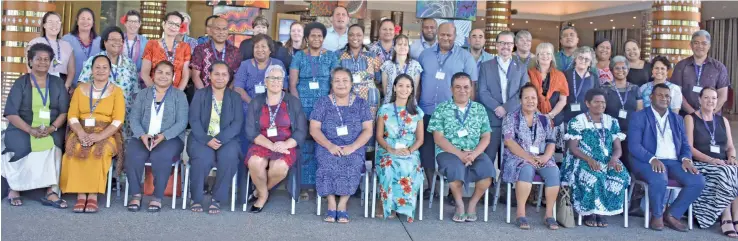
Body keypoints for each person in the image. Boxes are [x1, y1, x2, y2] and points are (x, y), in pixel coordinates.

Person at [628, 83, 706, 232]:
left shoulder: (677, 119)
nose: (664, 98)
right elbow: (634, 146)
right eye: (660, 95)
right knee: (659, 176)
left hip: (673, 161)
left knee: (697, 180)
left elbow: (685, 144)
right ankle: (656, 215)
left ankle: (672, 215)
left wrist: (686, 159)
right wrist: (652, 158)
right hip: (646, 161)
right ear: (651, 98)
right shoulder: (639, 116)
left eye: (667, 96)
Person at [2, 44, 70, 208]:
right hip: (23, 127)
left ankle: (51, 190)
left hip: (51, 128)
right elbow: (11, 113)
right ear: (30, 61)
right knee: (18, 145)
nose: (42, 62)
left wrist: (53, 128)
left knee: (54, 146)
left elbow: (64, 111)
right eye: (38, 59)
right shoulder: (21, 83)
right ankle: (15, 188)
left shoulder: (57, 83)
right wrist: (30, 130)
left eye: (46, 59)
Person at [60, 55, 126, 213]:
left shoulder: (116, 91)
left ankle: (93, 196)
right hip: (80, 130)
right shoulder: (80, 90)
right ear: (91, 70)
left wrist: (99, 136)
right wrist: (81, 133)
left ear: (110, 71)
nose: (101, 70)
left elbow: (118, 120)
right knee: (74, 148)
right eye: (97, 67)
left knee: (98, 151)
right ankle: (81, 195)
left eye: (105, 67)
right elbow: (72, 116)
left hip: (107, 132)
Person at [417, 22, 477, 195]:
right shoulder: (425, 55)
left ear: (455, 35)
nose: (445, 38)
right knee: (427, 151)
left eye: (449, 35)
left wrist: (468, 113)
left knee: (455, 150)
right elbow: (419, 82)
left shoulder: (465, 57)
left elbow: (471, 87)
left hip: (453, 114)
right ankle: (432, 187)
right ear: (437, 34)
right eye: (442, 34)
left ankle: (453, 192)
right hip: (426, 110)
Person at [427, 72, 495, 222]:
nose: (462, 90)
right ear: (451, 89)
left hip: (474, 152)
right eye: (457, 87)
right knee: (455, 170)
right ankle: (459, 205)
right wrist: (460, 154)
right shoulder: (441, 109)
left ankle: (472, 204)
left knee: (488, 172)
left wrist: (474, 154)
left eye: (466, 87)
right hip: (448, 152)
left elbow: (486, 136)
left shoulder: (479, 109)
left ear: (471, 89)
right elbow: (438, 138)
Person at [310, 67, 374, 223]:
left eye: (345, 80)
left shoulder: (361, 103)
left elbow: (368, 130)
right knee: (327, 163)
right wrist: (330, 146)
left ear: (351, 83)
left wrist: (352, 147)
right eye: (337, 81)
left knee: (352, 164)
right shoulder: (322, 102)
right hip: (327, 147)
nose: (341, 84)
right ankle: (331, 203)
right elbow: (314, 129)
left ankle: (343, 204)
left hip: (354, 147)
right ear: (331, 84)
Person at [124, 61, 188, 212]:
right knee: (133, 154)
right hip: (143, 136)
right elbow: (134, 118)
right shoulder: (143, 94)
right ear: (153, 74)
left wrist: (164, 136)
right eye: (160, 72)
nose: (163, 76)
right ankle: (135, 194)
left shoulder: (180, 95)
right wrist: (141, 135)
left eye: (168, 73)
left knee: (160, 155)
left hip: (170, 138)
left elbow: (182, 122)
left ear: (173, 77)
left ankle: (157, 196)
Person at [561, 88, 630, 228]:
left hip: (608, 160)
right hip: (581, 159)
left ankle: (602, 210)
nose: (601, 105)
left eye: (603, 102)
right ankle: (589, 212)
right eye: (596, 102)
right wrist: (589, 160)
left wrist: (614, 159)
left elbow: (618, 148)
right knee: (594, 174)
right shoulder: (578, 121)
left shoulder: (612, 122)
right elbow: (573, 148)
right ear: (587, 103)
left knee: (621, 175)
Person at [244, 65, 307, 213]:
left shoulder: (293, 102)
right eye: (272, 78)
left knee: (279, 167)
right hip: (262, 142)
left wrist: (285, 144)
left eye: (279, 78)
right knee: (255, 162)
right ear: (265, 81)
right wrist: (271, 146)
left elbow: (301, 130)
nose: (276, 81)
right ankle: (263, 195)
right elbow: (250, 131)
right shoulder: (256, 102)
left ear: (283, 81)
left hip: (286, 144)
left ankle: (258, 192)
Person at [187, 61, 243, 214]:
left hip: (226, 139)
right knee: (202, 158)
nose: (220, 78)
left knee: (230, 157)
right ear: (210, 76)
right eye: (216, 74)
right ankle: (196, 198)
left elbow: (237, 123)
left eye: (224, 74)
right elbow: (194, 120)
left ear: (229, 77)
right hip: (201, 137)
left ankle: (217, 198)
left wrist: (220, 139)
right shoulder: (200, 94)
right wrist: (207, 139)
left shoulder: (235, 97)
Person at [501, 83, 560, 230]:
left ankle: (549, 215)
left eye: (533, 98)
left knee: (553, 171)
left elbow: (551, 141)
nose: (530, 101)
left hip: (540, 157)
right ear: (520, 100)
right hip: (517, 157)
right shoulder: (511, 117)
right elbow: (509, 142)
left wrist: (546, 157)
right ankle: (521, 213)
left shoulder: (544, 119)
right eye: (526, 98)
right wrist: (527, 157)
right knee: (526, 169)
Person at [289, 22, 340, 189]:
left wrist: (329, 106)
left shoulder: (332, 56)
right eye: (313, 36)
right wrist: (298, 109)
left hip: (325, 108)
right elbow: (292, 84)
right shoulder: (299, 56)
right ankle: (303, 186)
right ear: (306, 38)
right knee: (303, 145)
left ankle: (323, 184)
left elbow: (336, 83)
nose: (316, 38)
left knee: (323, 144)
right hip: (302, 107)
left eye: (319, 36)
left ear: (323, 38)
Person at [684, 87, 738, 235]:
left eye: (713, 98)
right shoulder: (690, 118)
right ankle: (725, 217)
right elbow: (689, 147)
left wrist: (732, 158)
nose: (710, 101)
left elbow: (730, 147)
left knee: (734, 170)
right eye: (706, 98)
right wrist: (711, 159)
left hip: (722, 163)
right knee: (727, 173)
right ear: (700, 100)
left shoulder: (723, 120)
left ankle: (736, 217)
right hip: (701, 163)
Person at [478, 30, 529, 183]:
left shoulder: (520, 66)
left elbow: (523, 91)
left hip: (513, 117)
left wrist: (506, 108)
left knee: (512, 156)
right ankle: (486, 189)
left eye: (508, 43)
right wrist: (497, 107)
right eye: (502, 43)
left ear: (513, 46)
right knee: (488, 155)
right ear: (496, 45)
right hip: (492, 118)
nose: (505, 46)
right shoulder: (486, 66)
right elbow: (482, 91)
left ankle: (507, 190)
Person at [374, 74, 425, 222]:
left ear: (412, 90)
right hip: (387, 149)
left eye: (408, 86)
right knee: (389, 165)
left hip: (410, 151)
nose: (404, 89)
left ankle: (404, 206)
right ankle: (386, 204)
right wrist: (390, 149)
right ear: (395, 88)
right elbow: (379, 136)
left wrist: (409, 150)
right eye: (401, 85)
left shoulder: (417, 112)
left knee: (408, 166)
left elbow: (420, 139)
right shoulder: (384, 110)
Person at [78, 26, 139, 141]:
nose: (117, 43)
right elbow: (82, 87)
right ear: (105, 42)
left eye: (120, 40)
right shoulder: (94, 60)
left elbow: (135, 91)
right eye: (113, 40)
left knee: (122, 150)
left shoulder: (129, 64)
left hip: (124, 117)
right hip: (100, 115)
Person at [671, 30, 730, 116]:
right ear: (691, 45)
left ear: (709, 46)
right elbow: (677, 93)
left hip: (712, 116)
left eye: (704, 43)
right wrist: (694, 114)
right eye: (696, 43)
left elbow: (722, 95)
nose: (700, 46)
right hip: (686, 116)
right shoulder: (681, 66)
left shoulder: (719, 67)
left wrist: (710, 113)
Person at [558, 46, 601, 150]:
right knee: (570, 151)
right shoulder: (565, 75)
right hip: (568, 119)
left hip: (587, 120)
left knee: (586, 151)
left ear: (591, 62)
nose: (583, 61)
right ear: (575, 58)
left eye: (587, 59)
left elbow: (597, 99)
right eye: (580, 57)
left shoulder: (593, 77)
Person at [604, 56, 643, 170]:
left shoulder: (635, 89)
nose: (620, 70)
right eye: (617, 68)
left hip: (630, 133)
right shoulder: (605, 88)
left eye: (623, 67)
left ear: (628, 69)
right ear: (611, 70)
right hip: (610, 133)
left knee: (628, 165)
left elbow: (639, 111)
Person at [337, 24, 381, 116]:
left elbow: (378, 79)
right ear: (347, 36)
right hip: (346, 100)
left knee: (369, 128)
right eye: (351, 34)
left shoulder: (372, 56)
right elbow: (334, 79)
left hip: (370, 100)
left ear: (363, 36)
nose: (355, 37)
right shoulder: (338, 55)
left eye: (358, 35)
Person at [235, 34, 286, 111]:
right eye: (257, 47)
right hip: (249, 107)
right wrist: (252, 104)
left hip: (273, 107)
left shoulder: (278, 64)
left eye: (263, 46)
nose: (259, 49)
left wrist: (271, 105)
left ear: (270, 50)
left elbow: (284, 87)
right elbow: (238, 88)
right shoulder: (245, 65)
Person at [141, 12, 191, 90]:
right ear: (164, 24)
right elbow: (144, 73)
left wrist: (177, 94)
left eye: (177, 25)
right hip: (153, 92)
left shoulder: (185, 47)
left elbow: (185, 75)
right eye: (170, 23)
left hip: (176, 94)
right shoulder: (152, 44)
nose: (173, 27)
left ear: (179, 29)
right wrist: (156, 93)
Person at [27, 12, 75, 90]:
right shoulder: (34, 43)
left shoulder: (67, 45)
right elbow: (30, 68)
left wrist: (65, 87)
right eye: (50, 22)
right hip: (39, 84)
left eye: (57, 22)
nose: (54, 25)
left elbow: (71, 70)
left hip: (61, 84)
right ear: (44, 25)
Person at [191, 17, 241, 89]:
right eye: (217, 29)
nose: (221, 32)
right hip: (204, 94)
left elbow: (237, 77)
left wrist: (226, 95)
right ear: (211, 31)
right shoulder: (200, 49)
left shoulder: (235, 51)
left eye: (224, 29)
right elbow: (195, 76)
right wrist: (205, 95)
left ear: (228, 31)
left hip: (227, 96)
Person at [61, 8, 101, 87]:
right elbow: (62, 66)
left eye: (89, 19)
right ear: (77, 21)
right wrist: (68, 86)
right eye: (83, 18)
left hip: (94, 88)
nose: (85, 21)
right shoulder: (67, 39)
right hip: (71, 87)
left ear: (93, 22)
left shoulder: (99, 41)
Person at [528, 42, 568, 120]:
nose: (545, 56)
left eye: (548, 53)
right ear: (537, 56)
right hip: (534, 118)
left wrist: (551, 115)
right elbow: (526, 98)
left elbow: (563, 100)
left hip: (555, 119)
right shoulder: (529, 74)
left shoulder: (560, 75)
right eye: (542, 53)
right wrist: (540, 116)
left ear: (552, 57)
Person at [381, 34, 422, 104]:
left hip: (409, 105)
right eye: (399, 44)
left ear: (408, 48)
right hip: (390, 104)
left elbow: (415, 89)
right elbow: (385, 90)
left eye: (405, 44)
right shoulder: (386, 65)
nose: (402, 46)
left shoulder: (415, 65)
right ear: (394, 47)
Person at [121, 10, 149, 76]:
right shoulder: (118, 39)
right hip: (119, 78)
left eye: (135, 22)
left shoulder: (145, 42)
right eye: (130, 21)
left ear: (139, 24)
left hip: (138, 80)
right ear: (125, 23)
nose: (132, 24)